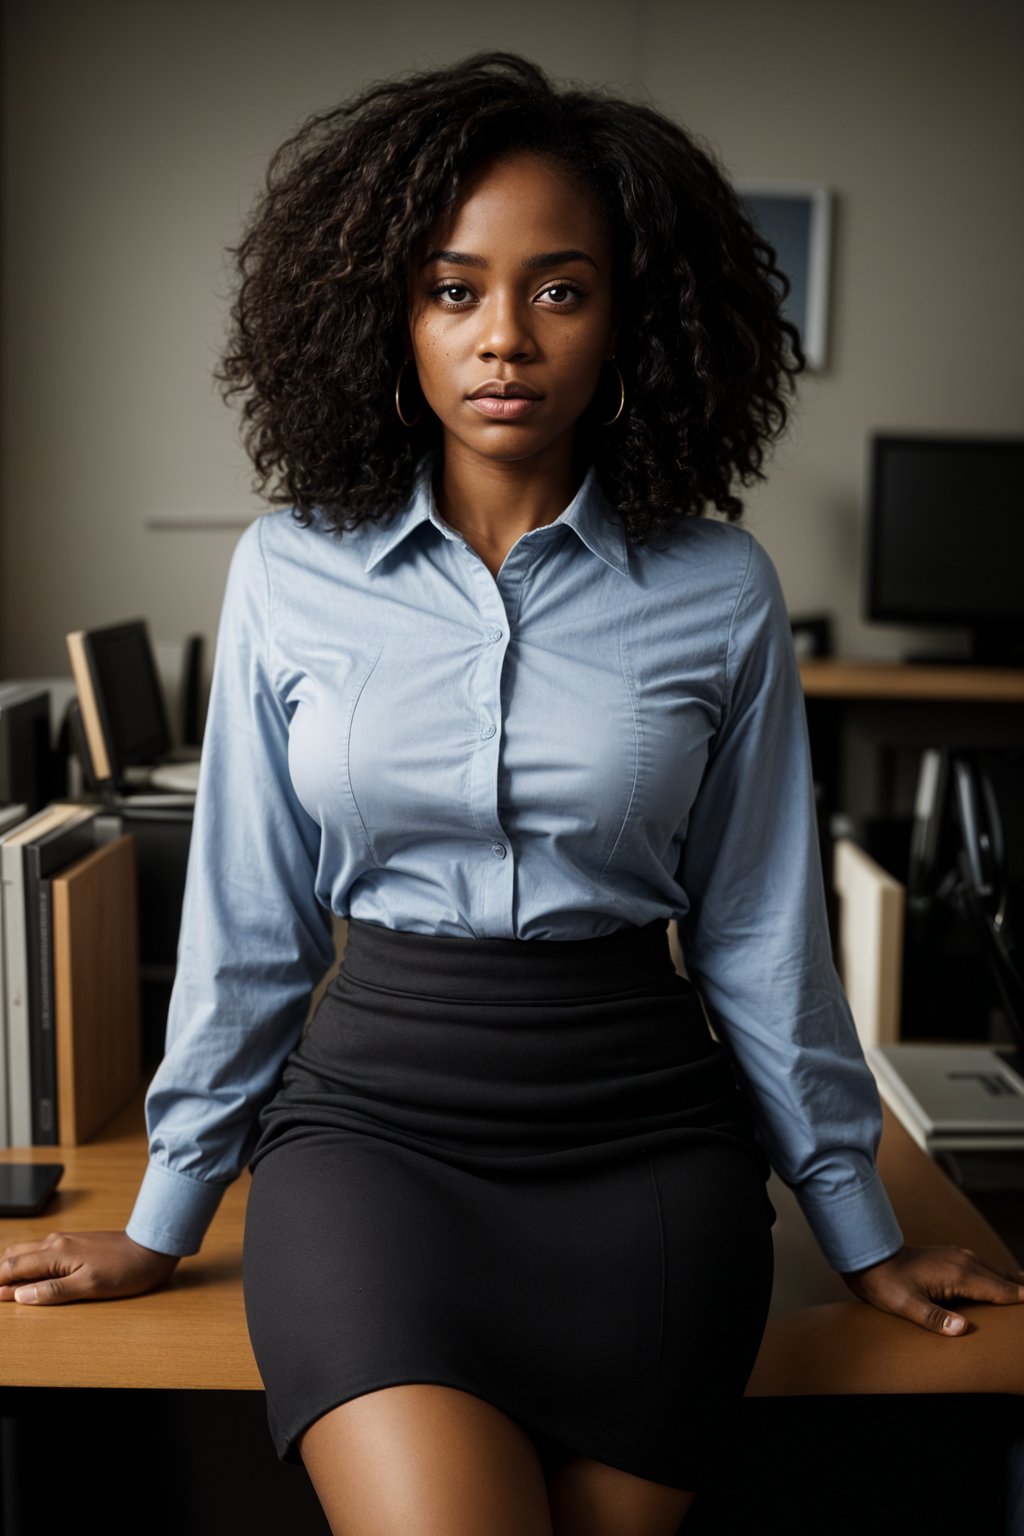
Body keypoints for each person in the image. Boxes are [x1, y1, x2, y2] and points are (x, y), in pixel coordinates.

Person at [1, 49, 1022, 1536]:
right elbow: (250, 925)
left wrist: (858, 1227)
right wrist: (165, 1220)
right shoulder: (289, 570)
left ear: (631, 322)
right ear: (386, 314)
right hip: (372, 1152)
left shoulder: (720, 590)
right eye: (452, 287)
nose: (504, 340)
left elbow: (758, 939)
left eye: (560, 289)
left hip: (650, 1169)